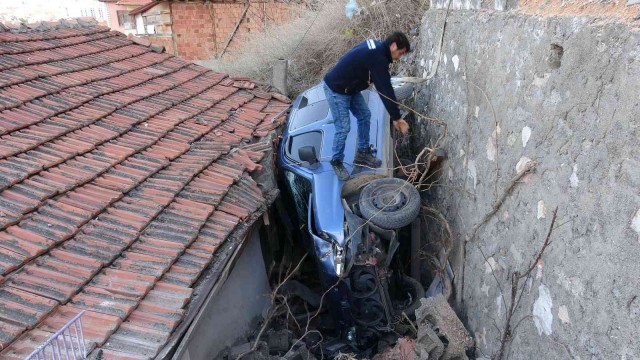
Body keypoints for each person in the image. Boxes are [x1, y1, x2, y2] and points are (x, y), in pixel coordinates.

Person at [323, 31, 411, 181]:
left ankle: (362, 153)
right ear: (394, 45)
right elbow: (385, 89)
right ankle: (336, 161)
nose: (399, 57)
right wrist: (396, 118)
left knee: (365, 115)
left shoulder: (377, 47)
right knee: (343, 127)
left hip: (350, 88)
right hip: (336, 89)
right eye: (400, 53)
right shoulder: (378, 58)